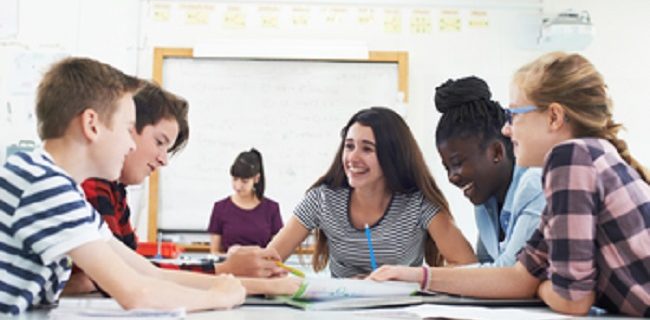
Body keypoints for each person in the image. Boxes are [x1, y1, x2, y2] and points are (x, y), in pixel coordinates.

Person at [369, 52, 650, 317]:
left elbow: (573, 300)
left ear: (554, 117)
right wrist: (415, 275)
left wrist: (541, 288)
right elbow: (520, 275)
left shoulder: (571, 158)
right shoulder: (587, 158)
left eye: (514, 115)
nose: (506, 129)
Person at [0, 57, 244, 314]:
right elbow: (137, 293)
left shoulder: (58, 185)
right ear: (91, 124)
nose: (130, 145)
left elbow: (149, 274)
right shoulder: (44, 185)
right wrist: (220, 297)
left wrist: (223, 284)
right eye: (128, 130)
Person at [65, 83, 284, 296]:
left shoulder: (115, 189)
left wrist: (227, 271)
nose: (163, 160)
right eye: (159, 142)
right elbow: (123, 276)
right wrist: (229, 275)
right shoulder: (90, 183)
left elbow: (135, 268)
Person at [268, 107, 476, 278]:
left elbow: (468, 266)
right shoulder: (322, 199)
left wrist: (405, 278)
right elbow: (269, 261)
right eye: (349, 147)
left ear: (392, 156)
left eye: (367, 149)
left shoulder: (418, 204)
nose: (353, 158)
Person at [434, 76, 545, 266]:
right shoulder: (485, 203)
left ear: (496, 152)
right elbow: (485, 264)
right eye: (447, 168)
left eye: (457, 163)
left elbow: (508, 273)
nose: (452, 177)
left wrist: (427, 277)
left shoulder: (535, 186)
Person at [208, 148, 283, 254]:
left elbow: (278, 251)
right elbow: (214, 253)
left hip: (262, 268)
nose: (238, 186)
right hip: (230, 268)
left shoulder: (271, 209)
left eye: (244, 181)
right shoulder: (220, 208)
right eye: (234, 179)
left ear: (256, 179)